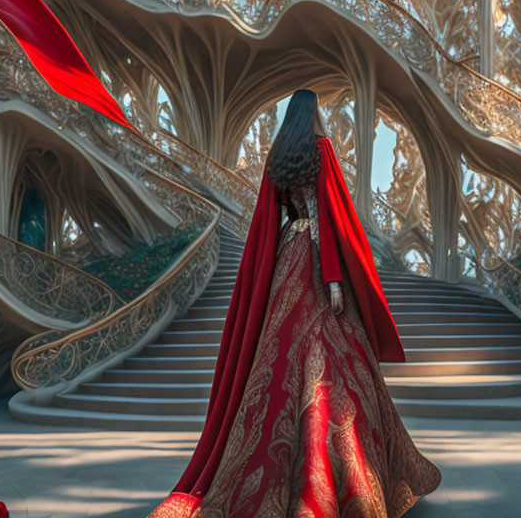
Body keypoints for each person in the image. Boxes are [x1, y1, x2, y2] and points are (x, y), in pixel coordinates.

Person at [150, 90, 441, 517]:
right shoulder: (321, 148)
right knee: (338, 367)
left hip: (288, 253)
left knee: (282, 359)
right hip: (317, 259)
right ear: (314, 113)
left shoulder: (279, 155)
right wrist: (335, 279)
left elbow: (280, 215)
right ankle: (345, 482)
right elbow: (330, 214)